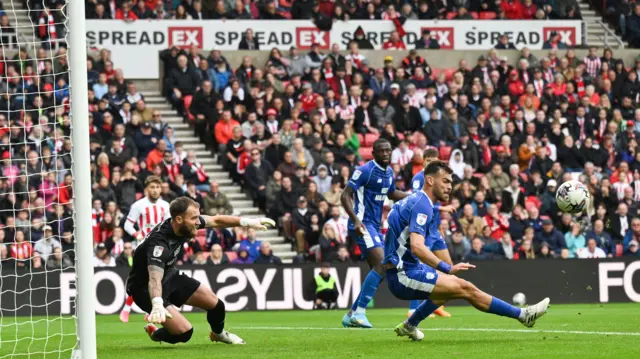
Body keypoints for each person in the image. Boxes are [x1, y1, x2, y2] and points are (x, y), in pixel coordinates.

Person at [383, 161, 550, 341]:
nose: (449, 186)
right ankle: (523, 315)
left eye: (450, 182)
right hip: (403, 275)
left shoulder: (414, 200)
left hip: (405, 269)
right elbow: (417, 246)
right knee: (465, 287)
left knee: (447, 291)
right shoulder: (422, 205)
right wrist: (447, 268)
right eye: (445, 181)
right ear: (430, 180)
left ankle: (410, 325)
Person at [127, 196, 275, 346]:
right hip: (144, 289)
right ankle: (155, 333)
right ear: (178, 219)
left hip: (169, 275)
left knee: (216, 305)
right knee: (185, 333)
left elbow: (216, 220)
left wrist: (248, 222)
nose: (198, 222)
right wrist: (157, 303)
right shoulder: (158, 243)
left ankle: (219, 334)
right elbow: (154, 277)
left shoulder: (184, 224)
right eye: (194, 218)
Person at [341, 138, 409, 328]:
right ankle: (360, 313)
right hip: (362, 225)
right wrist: (355, 219)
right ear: (374, 153)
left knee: (380, 270)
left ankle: (351, 314)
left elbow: (392, 194)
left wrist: (413, 196)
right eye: (382, 151)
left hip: (375, 227)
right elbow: (345, 195)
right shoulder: (364, 171)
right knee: (382, 263)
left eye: (388, 150)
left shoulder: (388, 173)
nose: (386, 154)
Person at [407, 148, 454, 317]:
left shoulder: (439, 180)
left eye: (433, 161)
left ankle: (435, 304)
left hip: (434, 231)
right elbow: (418, 201)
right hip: (423, 231)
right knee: (422, 267)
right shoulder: (419, 179)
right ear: (423, 162)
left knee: (448, 267)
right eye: (428, 161)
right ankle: (413, 308)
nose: (430, 163)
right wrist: (443, 208)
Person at [120, 176, 171, 323]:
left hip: (160, 248)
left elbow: (168, 226)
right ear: (146, 189)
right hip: (143, 247)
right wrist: (138, 234)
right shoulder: (138, 205)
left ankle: (149, 310)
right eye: (152, 187)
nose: (154, 190)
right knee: (139, 279)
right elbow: (128, 225)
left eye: (157, 187)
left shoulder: (166, 206)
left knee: (156, 279)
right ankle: (126, 309)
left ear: (161, 189)